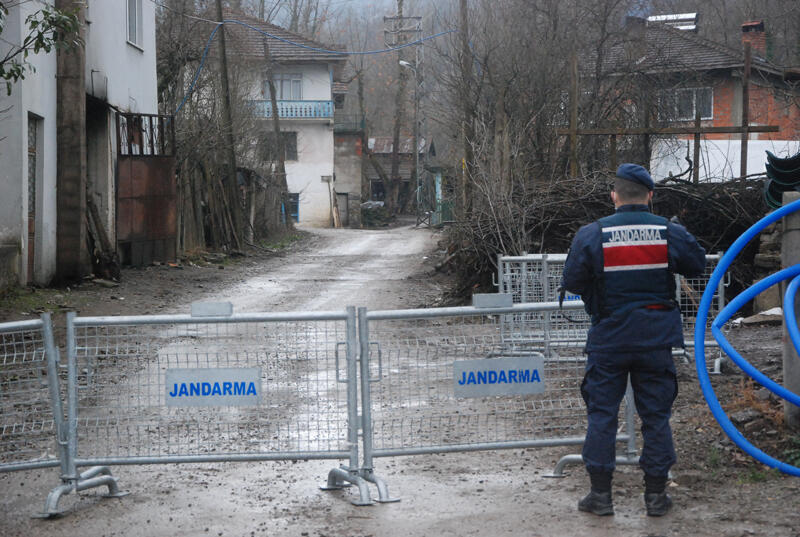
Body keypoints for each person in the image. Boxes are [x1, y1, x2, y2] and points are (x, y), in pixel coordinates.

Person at [561, 163, 706, 517]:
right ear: (650, 196)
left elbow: (573, 281)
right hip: (655, 340)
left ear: (614, 196)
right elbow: (697, 265)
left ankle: (600, 496)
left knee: (602, 415)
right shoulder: (668, 231)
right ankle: (656, 497)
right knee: (656, 416)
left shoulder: (592, 233)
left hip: (609, 340)